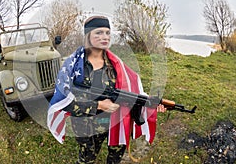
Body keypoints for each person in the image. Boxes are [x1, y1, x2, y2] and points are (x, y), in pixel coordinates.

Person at [47, 16, 166, 164]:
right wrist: (99, 106)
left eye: (107, 33)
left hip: (114, 123)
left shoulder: (116, 64)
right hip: (85, 125)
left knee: (115, 159)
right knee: (87, 159)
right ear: (87, 36)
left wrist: (151, 102)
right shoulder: (73, 66)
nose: (105, 37)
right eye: (99, 33)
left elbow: (131, 90)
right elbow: (63, 102)